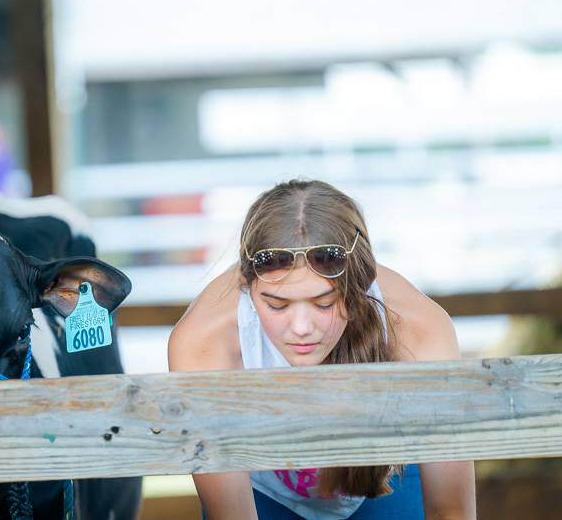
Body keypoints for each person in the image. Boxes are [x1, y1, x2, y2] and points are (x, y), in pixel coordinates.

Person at [167, 179, 476, 520]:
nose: (301, 327)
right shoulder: (203, 341)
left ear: (358, 286)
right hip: (264, 494)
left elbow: (451, 510)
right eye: (277, 304)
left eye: (324, 303)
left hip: (386, 481)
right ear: (249, 288)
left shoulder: (418, 327)